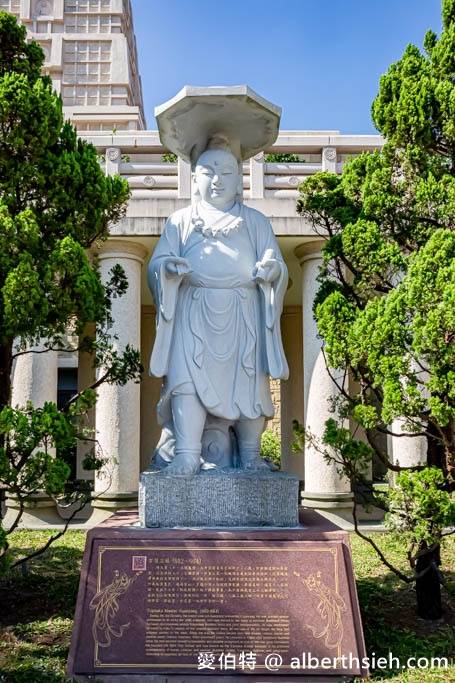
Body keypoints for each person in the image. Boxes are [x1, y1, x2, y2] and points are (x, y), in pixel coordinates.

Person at [148, 145, 288, 475]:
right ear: (194, 178)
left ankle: (251, 453)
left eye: (227, 173)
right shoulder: (179, 221)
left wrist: (272, 272)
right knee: (185, 383)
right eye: (208, 173)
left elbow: (277, 262)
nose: (217, 181)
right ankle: (185, 453)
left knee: (251, 385)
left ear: (239, 180)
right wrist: (167, 270)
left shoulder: (254, 221)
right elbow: (157, 263)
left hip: (243, 312)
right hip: (192, 309)